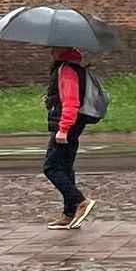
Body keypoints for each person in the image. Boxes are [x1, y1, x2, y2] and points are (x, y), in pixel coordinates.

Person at [43, 45, 93, 228]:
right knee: (65, 168)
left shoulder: (67, 69)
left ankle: (80, 201)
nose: (50, 50)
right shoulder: (71, 66)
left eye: (54, 47)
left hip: (66, 126)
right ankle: (70, 213)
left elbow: (71, 101)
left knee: (52, 168)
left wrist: (63, 128)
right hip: (71, 124)